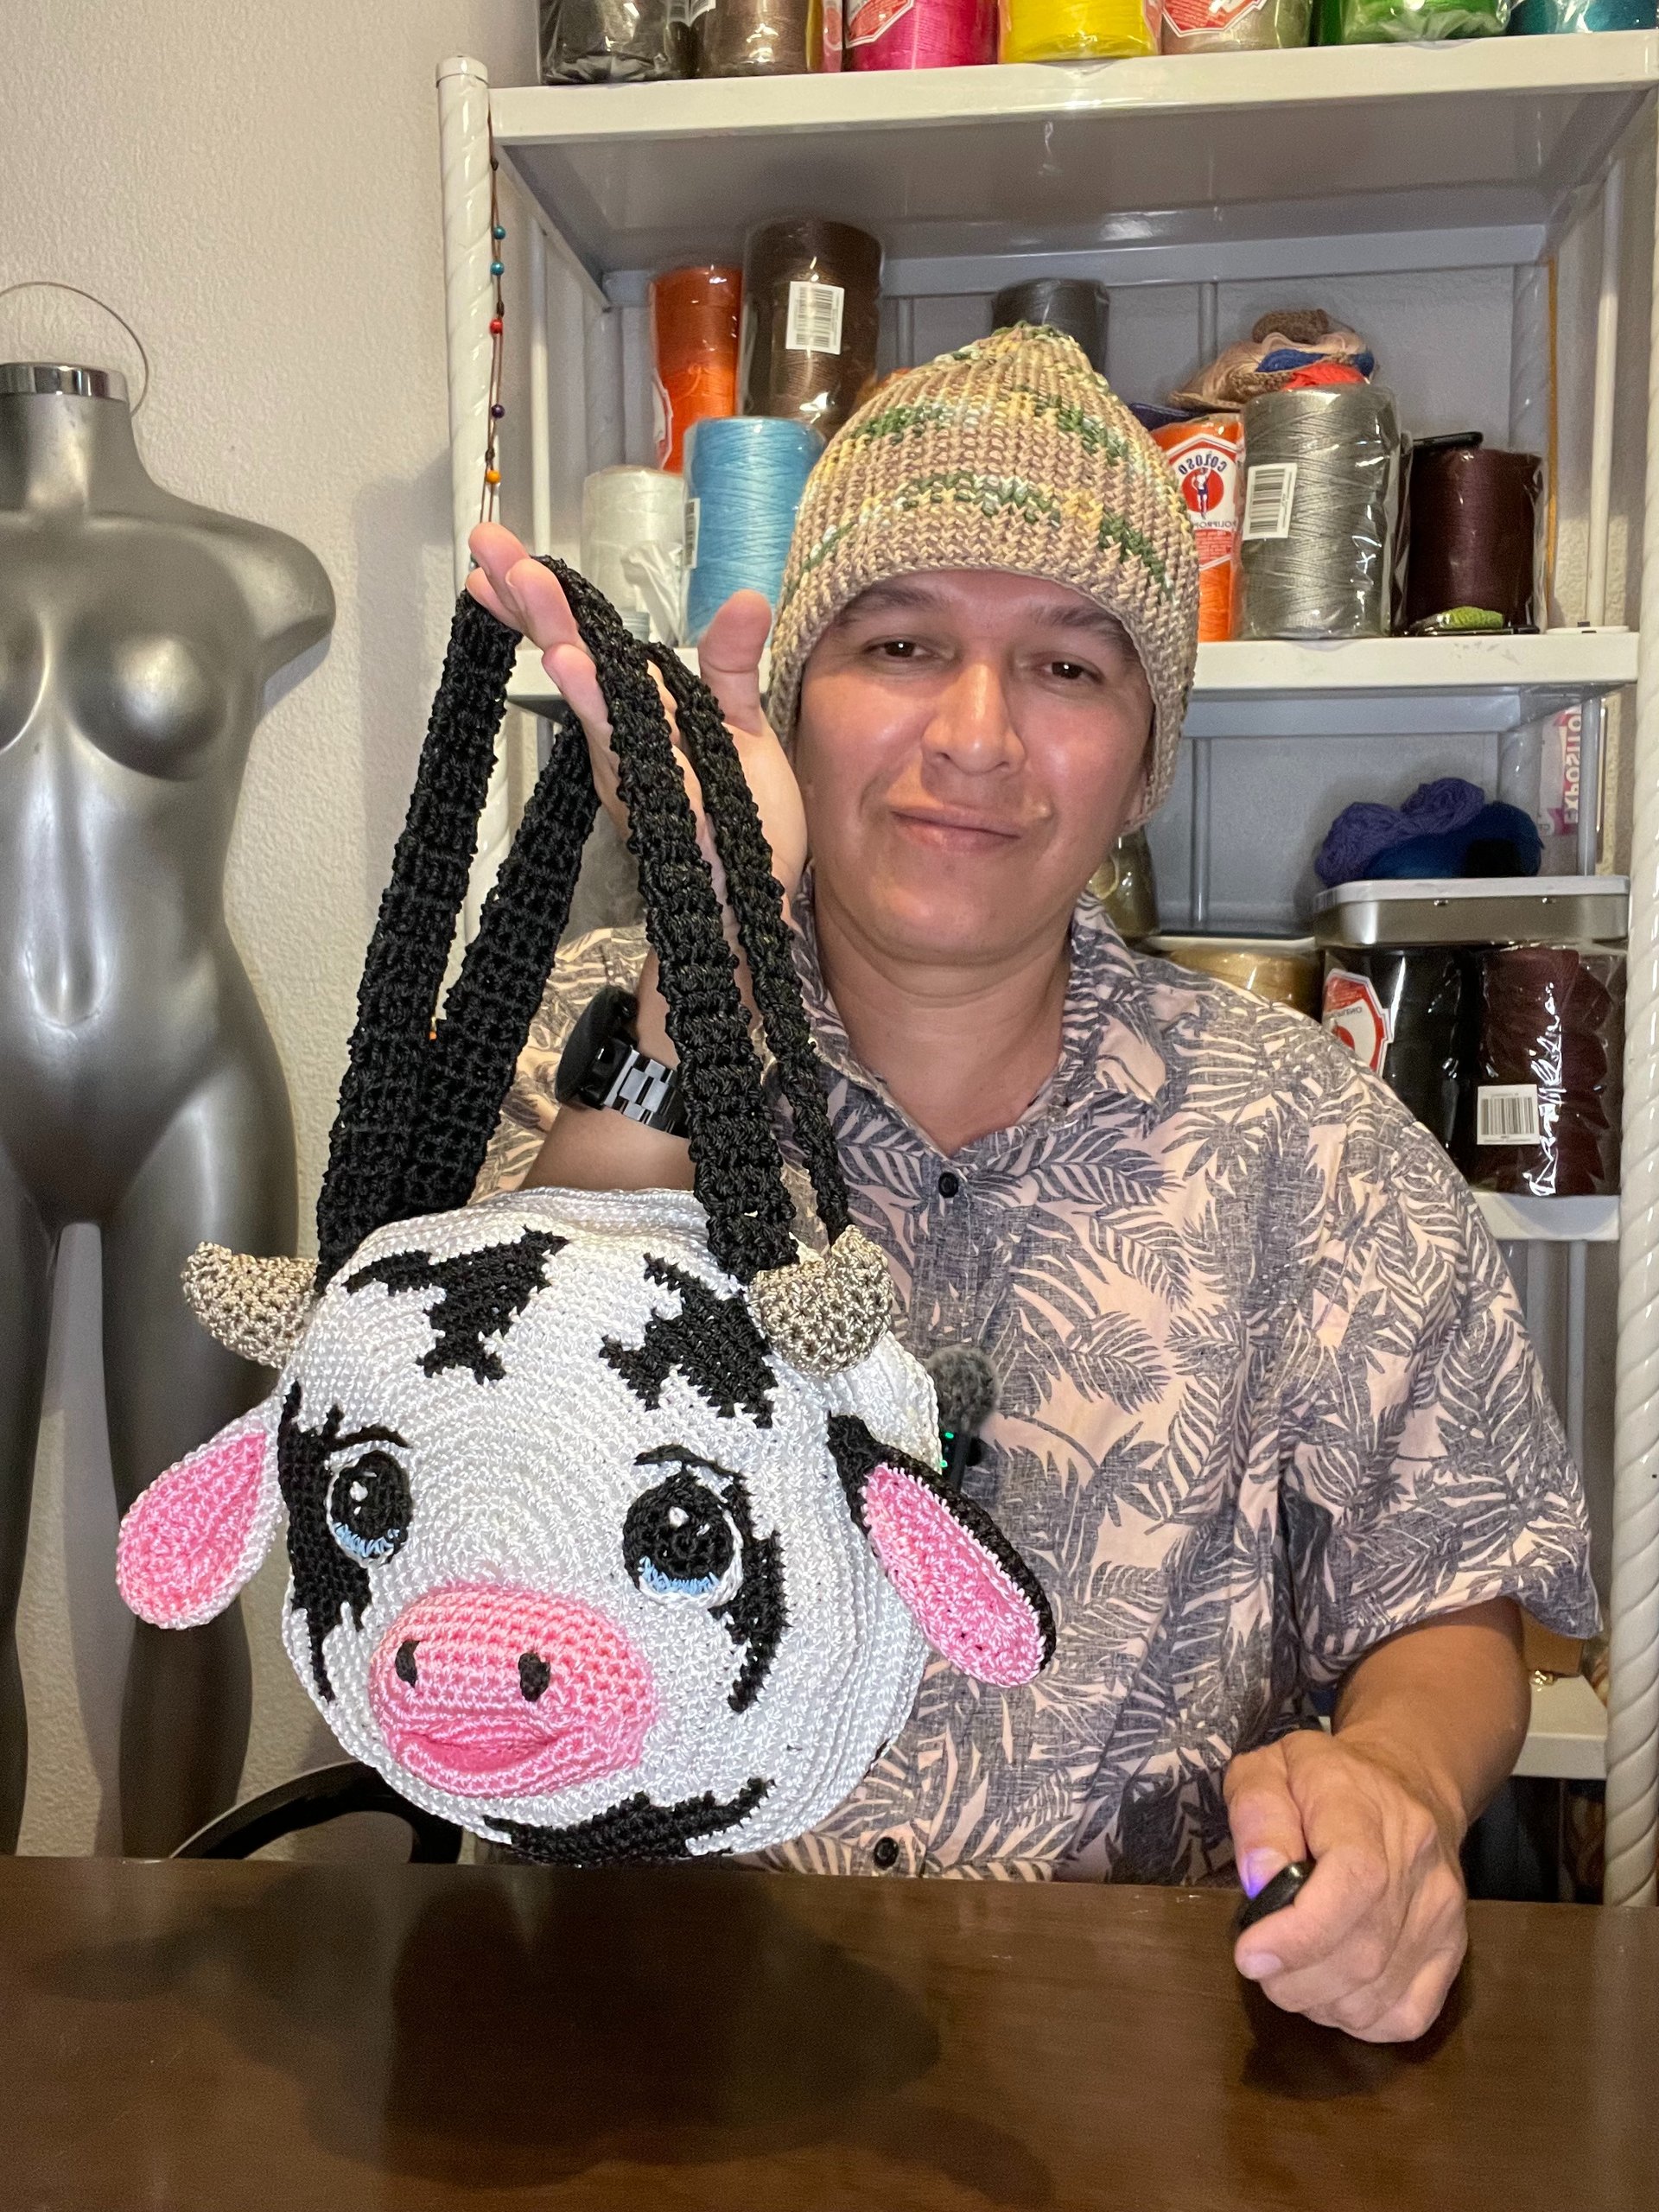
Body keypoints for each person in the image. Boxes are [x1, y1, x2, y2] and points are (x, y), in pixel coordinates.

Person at [463, 324, 1596, 2044]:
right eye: (902, 642)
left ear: (1145, 760)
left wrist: (1395, 1786)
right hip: (634, 2032)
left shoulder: (1313, 1142)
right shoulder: (562, 1038)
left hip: (1137, 2055)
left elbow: (1449, 1595)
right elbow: (466, 1473)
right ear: (784, 700)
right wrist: (693, 981)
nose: (975, 735)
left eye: (1069, 668)